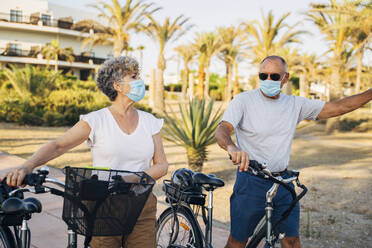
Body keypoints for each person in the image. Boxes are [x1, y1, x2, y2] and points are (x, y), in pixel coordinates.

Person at [0, 56, 168, 248]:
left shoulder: (150, 122)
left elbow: (162, 164)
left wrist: (131, 178)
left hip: (142, 205)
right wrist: (27, 166)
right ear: (117, 86)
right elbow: (58, 146)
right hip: (104, 205)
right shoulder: (97, 120)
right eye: (133, 76)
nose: (140, 81)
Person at [215, 55, 372, 248]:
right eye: (263, 76)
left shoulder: (295, 104)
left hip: (283, 182)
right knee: (238, 241)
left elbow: (338, 107)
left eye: (274, 76)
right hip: (250, 182)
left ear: (285, 78)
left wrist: (371, 93)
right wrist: (232, 146)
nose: (268, 80)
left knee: (291, 240)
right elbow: (222, 129)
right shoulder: (243, 101)